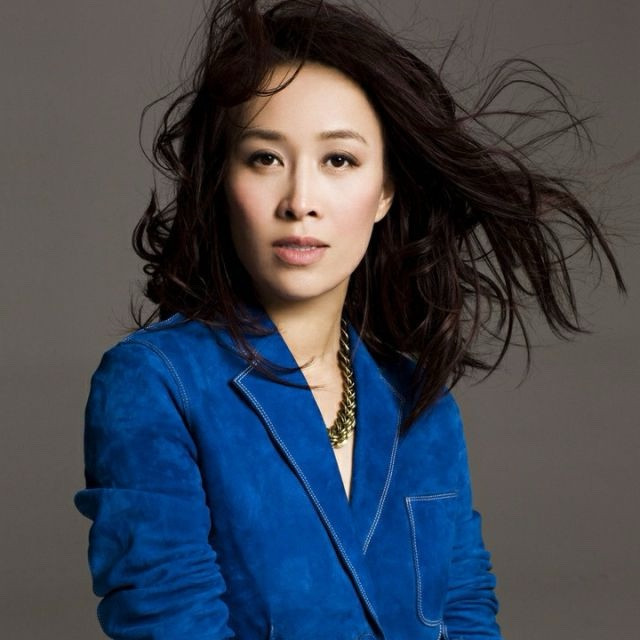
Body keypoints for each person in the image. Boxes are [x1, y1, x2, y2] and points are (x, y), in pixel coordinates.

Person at [74, 1, 625, 639]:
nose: (300, 202)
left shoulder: (420, 400)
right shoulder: (156, 383)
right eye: (265, 158)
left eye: (339, 160)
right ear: (222, 181)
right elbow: (167, 620)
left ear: (385, 190)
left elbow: (465, 609)